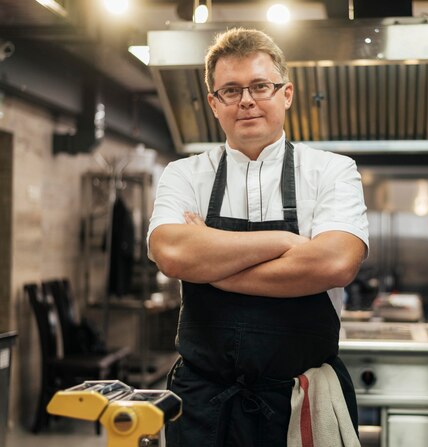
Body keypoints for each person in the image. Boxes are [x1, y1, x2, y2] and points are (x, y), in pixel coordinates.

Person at [148, 27, 369, 446]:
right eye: (230, 90)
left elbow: (335, 263)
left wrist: (213, 265)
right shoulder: (184, 174)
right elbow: (173, 255)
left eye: (260, 86)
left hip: (298, 401)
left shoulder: (332, 171)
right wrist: (285, 243)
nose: (246, 100)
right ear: (214, 104)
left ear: (285, 93)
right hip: (201, 405)